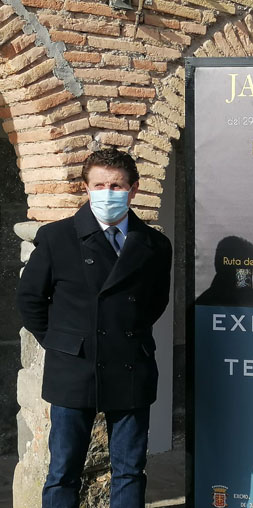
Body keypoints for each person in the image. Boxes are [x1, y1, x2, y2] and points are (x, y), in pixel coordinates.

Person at [17, 148, 172, 508]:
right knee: (62, 471)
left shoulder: (154, 244)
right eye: (99, 184)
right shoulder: (57, 238)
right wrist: (64, 344)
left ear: (133, 189)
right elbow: (30, 301)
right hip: (74, 368)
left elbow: (155, 303)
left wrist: (126, 335)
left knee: (131, 469)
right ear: (85, 188)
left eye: (116, 185)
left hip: (131, 365)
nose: (107, 192)